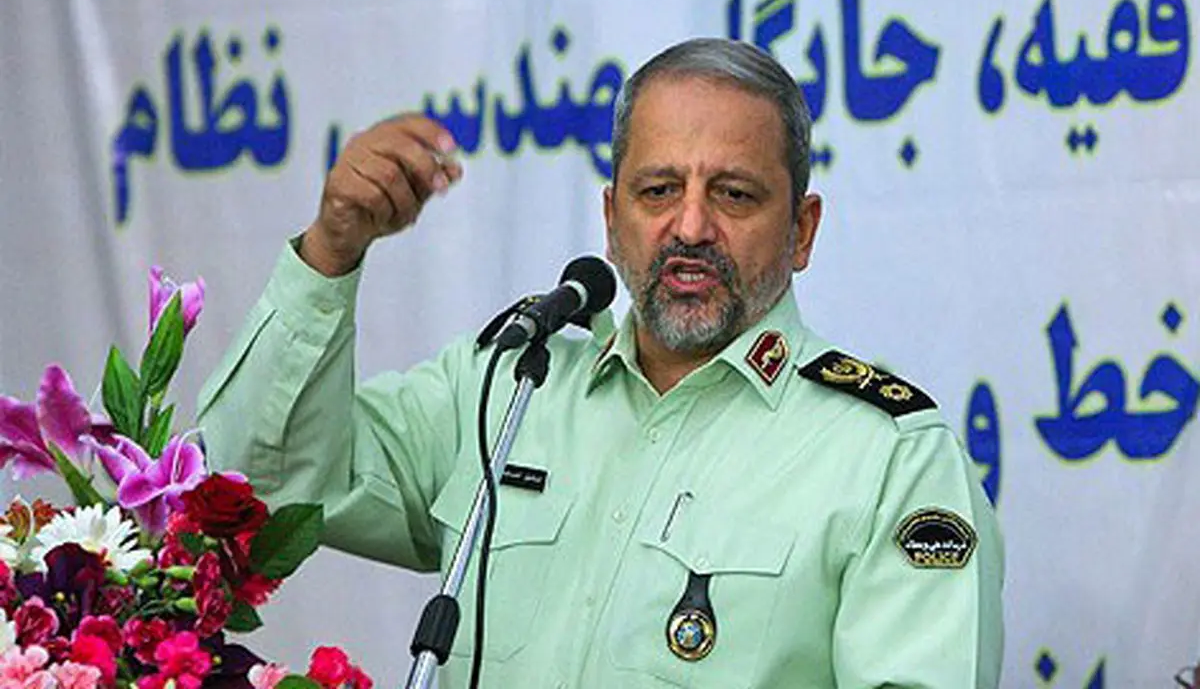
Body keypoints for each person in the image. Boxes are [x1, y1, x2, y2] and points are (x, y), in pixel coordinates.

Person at [197, 37, 1003, 688]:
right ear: (613, 221)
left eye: (733, 194)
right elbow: (253, 487)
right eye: (658, 191)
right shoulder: (507, 389)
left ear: (802, 230)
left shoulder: (891, 458)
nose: (691, 226)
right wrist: (332, 251)